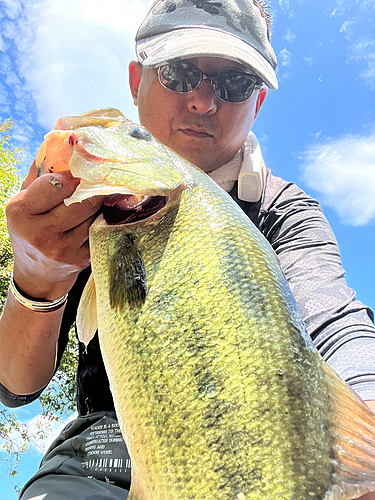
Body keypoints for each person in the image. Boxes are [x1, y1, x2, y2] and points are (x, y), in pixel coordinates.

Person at [1, 0, 375, 499]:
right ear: (137, 81)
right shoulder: (80, 203)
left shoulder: (284, 212)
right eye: (179, 72)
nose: (203, 101)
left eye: (234, 83)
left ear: (257, 102)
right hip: (100, 452)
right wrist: (36, 281)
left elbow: (334, 320)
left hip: (267, 455)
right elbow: (16, 385)